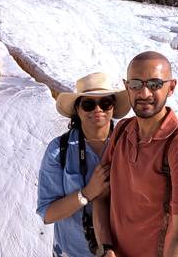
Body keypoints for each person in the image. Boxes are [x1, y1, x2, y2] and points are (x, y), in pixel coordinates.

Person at [94, 51, 178, 257]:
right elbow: (101, 196)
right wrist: (106, 248)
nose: (144, 93)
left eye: (155, 84)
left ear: (171, 87)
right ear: (127, 86)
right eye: (136, 84)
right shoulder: (122, 130)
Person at [37, 72, 131, 257]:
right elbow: (47, 213)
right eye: (88, 104)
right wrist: (87, 193)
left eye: (105, 103)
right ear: (77, 110)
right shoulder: (59, 150)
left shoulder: (128, 146)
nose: (98, 110)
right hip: (72, 251)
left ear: (113, 107)